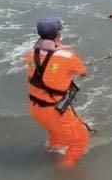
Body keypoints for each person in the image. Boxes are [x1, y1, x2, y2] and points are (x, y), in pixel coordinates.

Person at [26, 17, 89, 168]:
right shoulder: (67, 56)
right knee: (81, 141)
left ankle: (52, 154)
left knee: (56, 136)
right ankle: (63, 177)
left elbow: (45, 68)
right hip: (55, 110)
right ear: (58, 34)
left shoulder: (31, 54)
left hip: (35, 108)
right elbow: (82, 72)